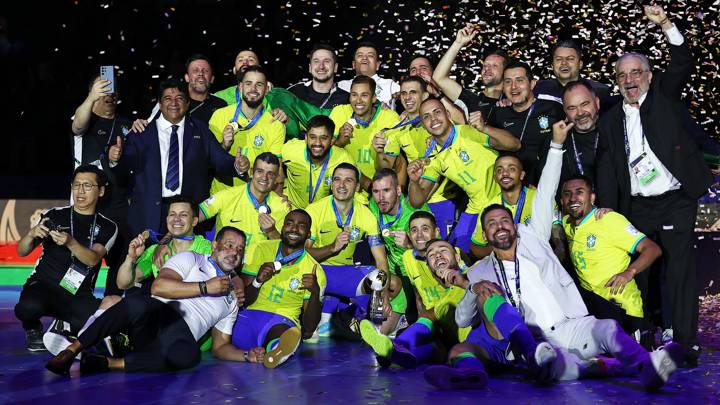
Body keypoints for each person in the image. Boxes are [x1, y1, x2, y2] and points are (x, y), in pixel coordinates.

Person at [463, 121, 684, 390]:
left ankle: (645, 367)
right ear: (484, 235)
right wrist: (471, 288)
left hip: (569, 323)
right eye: (492, 224)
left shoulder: (533, 236)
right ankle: (593, 367)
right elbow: (463, 319)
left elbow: (545, 192)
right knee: (563, 367)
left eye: (504, 220)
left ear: (515, 225)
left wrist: (556, 145)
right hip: (535, 342)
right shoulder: (479, 272)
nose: (500, 226)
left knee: (608, 330)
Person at [595, 5, 713, 366]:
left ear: (648, 75)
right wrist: (610, 210)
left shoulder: (663, 96)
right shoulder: (612, 118)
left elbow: (682, 62)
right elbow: (611, 166)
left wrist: (665, 23)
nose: (629, 80)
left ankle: (685, 342)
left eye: (636, 72)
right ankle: (644, 334)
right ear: (616, 80)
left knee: (679, 270)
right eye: (622, 75)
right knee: (641, 272)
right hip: (637, 205)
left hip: (675, 198)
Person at [45, 227, 259, 375]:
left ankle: (106, 363)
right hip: (157, 313)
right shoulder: (192, 258)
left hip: (180, 334)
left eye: (239, 250)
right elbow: (159, 287)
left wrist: (248, 356)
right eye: (229, 245)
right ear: (214, 246)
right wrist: (205, 287)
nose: (234, 252)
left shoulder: (232, 297)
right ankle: (71, 350)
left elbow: (221, 346)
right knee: (136, 302)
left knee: (189, 356)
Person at [109, 79, 246, 237]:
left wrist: (237, 165)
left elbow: (219, 159)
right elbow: (123, 173)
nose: (174, 103)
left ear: (187, 103)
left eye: (179, 98)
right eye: (168, 99)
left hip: (187, 213)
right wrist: (115, 159)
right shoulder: (141, 133)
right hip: (148, 215)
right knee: (146, 260)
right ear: (160, 104)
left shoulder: (200, 129)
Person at [15, 165, 119, 351]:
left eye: (87, 185)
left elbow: (93, 259)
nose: (80, 191)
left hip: (77, 294)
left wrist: (71, 242)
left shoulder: (108, 226)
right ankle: (33, 329)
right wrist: (31, 234)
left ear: (101, 190)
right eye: (76, 184)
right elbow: (21, 251)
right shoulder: (54, 215)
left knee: (114, 306)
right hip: (44, 285)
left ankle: (65, 325)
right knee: (27, 308)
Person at [407, 98, 520, 254]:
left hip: (504, 199)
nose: (433, 119)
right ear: (423, 125)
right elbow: (417, 201)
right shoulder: (431, 156)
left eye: (437, 112)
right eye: (426, 117)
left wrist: (485, 128)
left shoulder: (468, 132)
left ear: (447, 114)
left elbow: (514, 144)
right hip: (477, 205)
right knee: (459, 247)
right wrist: (413, 181)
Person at [305, 163, 401, 335]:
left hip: (344, 273)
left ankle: (352, 316)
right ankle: (335, 311)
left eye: (348, 180)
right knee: (314, 332)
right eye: (337, 180)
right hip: (318, 271)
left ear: (357, 187)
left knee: (388, 282)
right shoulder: (314, 211)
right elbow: (303, 254)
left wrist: (384, 294)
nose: (341, 185)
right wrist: (331, 248)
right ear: (332, 183)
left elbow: (380, 260)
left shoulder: (366, 215)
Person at [561, 174, 661, 335]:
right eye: (567, 194)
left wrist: (630, 272)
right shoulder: (566, 224)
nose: (573, 198)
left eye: (579, 192)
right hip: (594, 313)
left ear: (592, 197)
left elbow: (652, 248)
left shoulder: (608, 220)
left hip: (622, 310)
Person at [236, 209, 326, 368]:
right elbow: (243, 300)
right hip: (249, 316)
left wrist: (315, 292)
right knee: (232, 334)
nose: (294, 229)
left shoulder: (315, 270)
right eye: (289, 223)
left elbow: (310, 328)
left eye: (301, 226)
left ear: (308, 233)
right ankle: (268, 351)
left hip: (281, 321)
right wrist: (258, 281)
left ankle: (277, 350)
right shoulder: (261, 249)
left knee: (281, 334)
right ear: (282, 226)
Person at [71, 74, 132, 298]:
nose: (109, 93)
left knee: (120, 261)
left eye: (113, 89)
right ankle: (66, 316)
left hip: (118, 207)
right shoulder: (84, 120)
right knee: (81, 262)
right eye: (103, 88)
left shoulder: (127, 125)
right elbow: (77, 125)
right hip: (87, 205)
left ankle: (108, 313)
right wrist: (91, 97)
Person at [470, 154, 564, 260]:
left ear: (522, 175)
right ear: (495, 177)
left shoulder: (539, 198)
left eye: (512, 169)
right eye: (500, 170)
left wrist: (559, 248)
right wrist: (502, 247)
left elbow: (557, 230)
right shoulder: (489, 209)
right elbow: (476, 247)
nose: (505, 173)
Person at [208, 65, 285, 193]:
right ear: (240, 87)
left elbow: (276, 170)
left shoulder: (275, 125)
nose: (253, 89)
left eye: (259, 85)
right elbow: (208, 162)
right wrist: (224, 145)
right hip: (223, 197)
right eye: (248, 83)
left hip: (256, 199)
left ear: (266, 89)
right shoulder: (219, 116)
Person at [488, 61, 565, 184]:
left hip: (550, 183)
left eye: (519, 80)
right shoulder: (499, 114)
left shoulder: (554, 109)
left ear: (532, 83)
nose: (513, 87)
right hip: (513, 186)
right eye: (508, 82)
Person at [199, 153, 290, 251]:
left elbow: (285, 249)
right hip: (224, 263)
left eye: (270, 174)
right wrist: (200, 247)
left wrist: (271, 231)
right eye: (260, 171)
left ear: (276, 178)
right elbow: (193, 216)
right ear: (251, 172)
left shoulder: (282, 206)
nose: (264, 177)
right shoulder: (227, 196)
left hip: (257, 265)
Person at [329, 75, 398, 191]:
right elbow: (326, 156)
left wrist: (379, 152)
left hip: (376, 192)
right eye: (354, 95)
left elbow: (386, 169)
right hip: (344, 190)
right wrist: (340, 141)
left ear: (374, 98)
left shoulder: (389, 119)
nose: (358, 100)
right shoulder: (339, 113)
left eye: (364, 95)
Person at [432, 24, 508, 124]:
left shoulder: (513, 102)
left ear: (506, 72)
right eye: (485, 65)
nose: (487, 69)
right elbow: (439, 78)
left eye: (494, 66)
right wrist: (458, 43)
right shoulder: (472, 100)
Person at [132, 55, 228, 131]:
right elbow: (150, 124)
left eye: (205, 71)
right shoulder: (170, 101)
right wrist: (140, 124)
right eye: (195, 70)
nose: (201, 74)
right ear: (186, 77)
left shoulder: (221, 105)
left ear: (212, 79)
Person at [280, 115, 353, 209]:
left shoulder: (343, 159)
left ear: (332, 141)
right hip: (292, 210)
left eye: (323, 138)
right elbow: (273, 167)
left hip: (322, 215)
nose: (317, 143)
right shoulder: (290, 150)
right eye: (313, 137)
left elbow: (353, 187)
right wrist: (278, 194)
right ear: (306, 138)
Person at [539, 80, 602, 186]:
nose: (580, 113)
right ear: (565, 112)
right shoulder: (556, 139)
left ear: (597, 103)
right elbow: (546, 182)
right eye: (572, 108)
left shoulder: (613, 131)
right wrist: (556, 144)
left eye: (585, 104)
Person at [533, 40, 613, 109]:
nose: (564, 63)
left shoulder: (600, 91)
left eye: (570, 58)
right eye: (558, 59)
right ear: (552, 65)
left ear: (580, 64)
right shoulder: (538, 88)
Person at [337, 41, 400, 109]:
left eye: (370, 55)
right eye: (360, 55)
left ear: (377, 65)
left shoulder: (391, 85)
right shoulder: (341, 85)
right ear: (353, 64)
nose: (364, 58)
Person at [288, 44, 349, 109]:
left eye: (326, 61)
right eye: (316, 61)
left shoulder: (346, 98)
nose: (321, 66)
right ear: (310, 67)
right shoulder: (293, 92)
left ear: (335, 67)